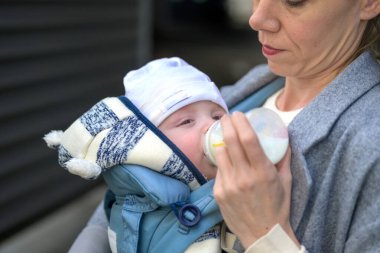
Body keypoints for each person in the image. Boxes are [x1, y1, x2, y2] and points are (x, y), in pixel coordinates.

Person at [68, 0, 380, 251]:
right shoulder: (242, 92)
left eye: (293, 1)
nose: (257, 17)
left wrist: (267, 235)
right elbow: (135, 181)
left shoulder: (370, 143)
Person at [44, 57, 230, 252]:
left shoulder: (244, 176)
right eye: (186, 122)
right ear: (154, 143)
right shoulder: (138, 206)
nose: (212, 126)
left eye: (217, 116)